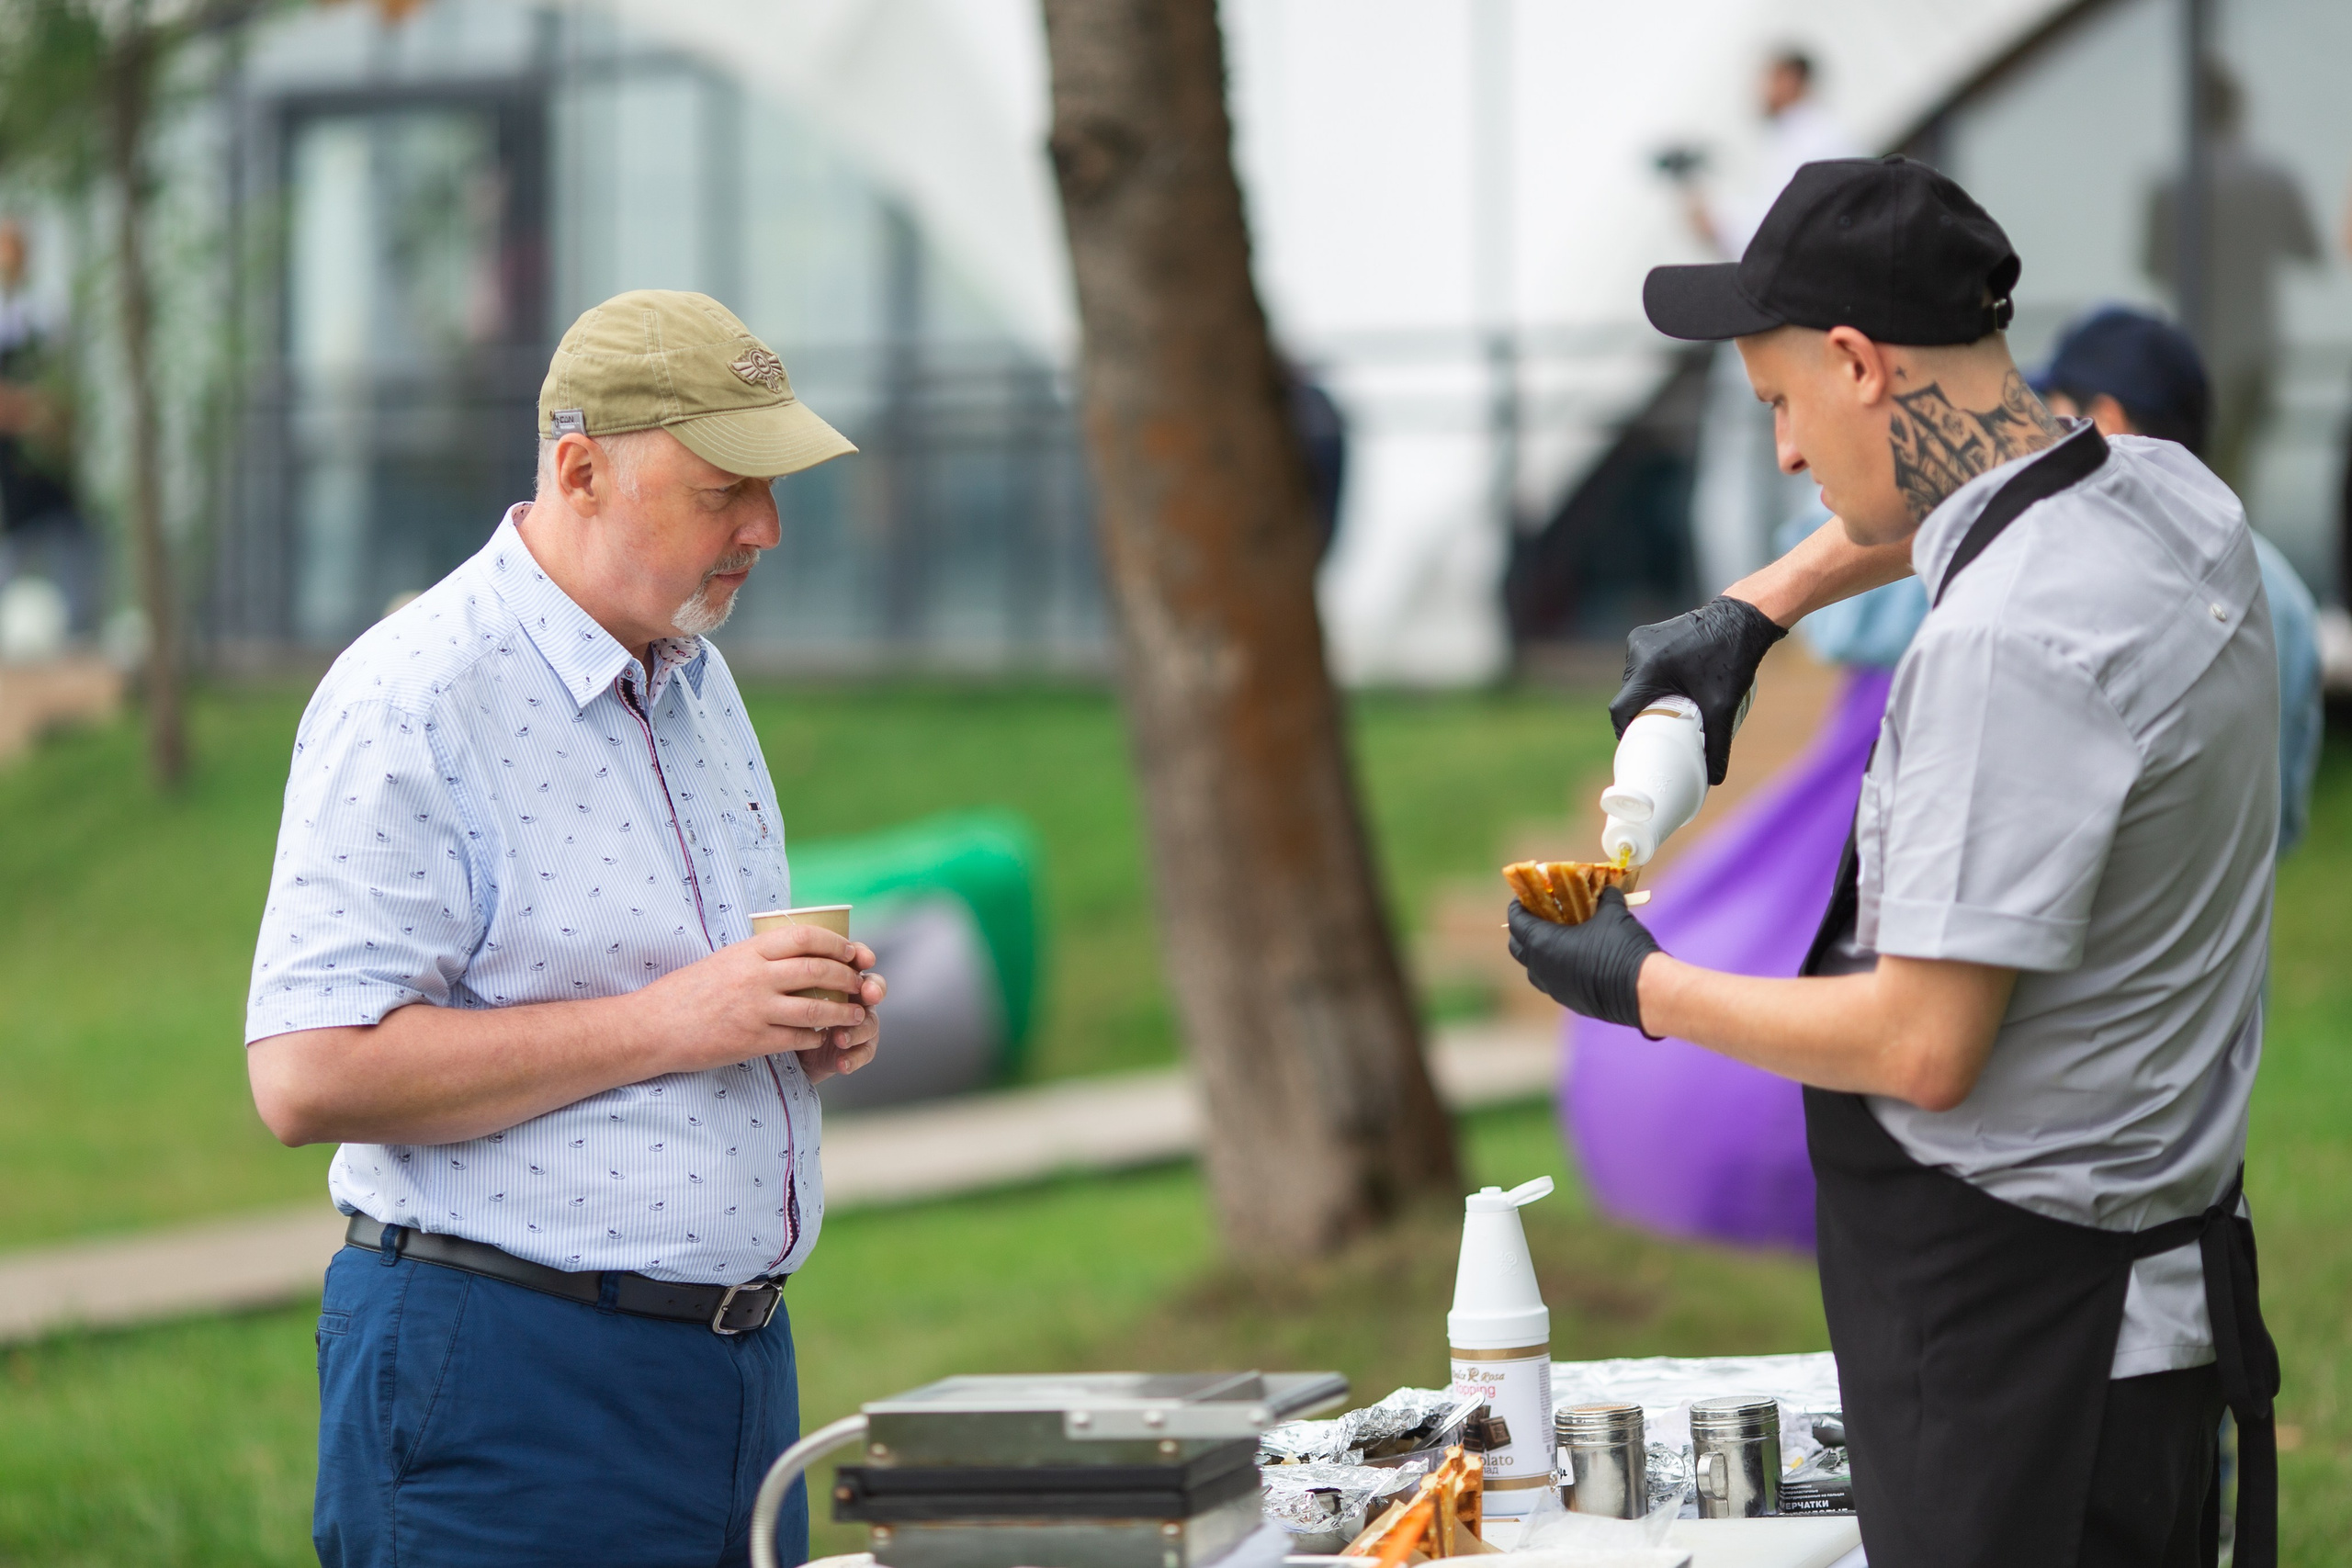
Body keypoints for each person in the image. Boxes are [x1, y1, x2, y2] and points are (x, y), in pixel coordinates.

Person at [1517, 159, 2280, 1567]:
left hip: (2029, 1361)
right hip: (2144, 1315)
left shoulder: (2005, 653)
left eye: (1782, 407)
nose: (1790, 456)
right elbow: (1988, 488)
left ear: (1861, 361)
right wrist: (1760, 607)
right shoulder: (2171, 498)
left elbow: (1924, 1041)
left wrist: (1645, 984)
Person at [244, 289, 883, 1568]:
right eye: (722, 488)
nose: (763, 524)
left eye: (769, 484)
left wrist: (781, 1027)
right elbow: (308, 1071)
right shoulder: (412, 695)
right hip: (505, 1383)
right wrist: (681, 1018)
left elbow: (670, 999)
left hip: (734, 1380)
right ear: (580, 469)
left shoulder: (695, 674)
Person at [2034, 303, 2324, 852]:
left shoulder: (2067, 570)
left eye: (2056, 412)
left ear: (2106, 423)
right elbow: (2281, 818)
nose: (2037, 438)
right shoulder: (2282, 587)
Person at [1676, 49, 1858, 597]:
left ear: (1791, 77)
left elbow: (1769, 240)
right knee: (1798, 472)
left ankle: (1742, 601)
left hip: (1780, 321)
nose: (1759, 89)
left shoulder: (1810, 140)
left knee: (1751, 478)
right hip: (1808, 324)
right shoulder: (1815, 139)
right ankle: (1789, 602)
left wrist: (1710, 215)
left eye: (1767, 77)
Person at [2143, 60, 2319, 491]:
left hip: (2194, 344)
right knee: (2239, 478)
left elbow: (2153, 265)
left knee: (2198, 477)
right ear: (2239, 109)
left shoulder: (2170, 183)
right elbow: (2309, 250)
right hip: (2253, 346)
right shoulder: (2271, 177)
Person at [0, 217, 98, 637]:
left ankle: (82, 637)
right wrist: (25, 410)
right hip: (11, 469)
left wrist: (53, 416)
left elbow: (66, 390)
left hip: (48, 465)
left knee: (74, 545)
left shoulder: (42, 318)